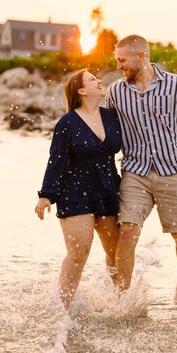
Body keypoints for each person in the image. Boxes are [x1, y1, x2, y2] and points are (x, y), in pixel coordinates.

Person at [105, 35, 177, 304]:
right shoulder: (116, 91)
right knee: (127, 232)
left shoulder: (176, 85)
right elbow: (105, 130)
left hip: (172, 170)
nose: (119, 66)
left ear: (141, 56)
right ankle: (122, 300)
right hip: (134, 172)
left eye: (122, 60)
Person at [35, 69, 122, 309]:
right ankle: (61, 308)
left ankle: (119, 303)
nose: (99, 81)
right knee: (78, 253)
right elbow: (57, 159)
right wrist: (46, 195)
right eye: (93, 80)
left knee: (115, 253)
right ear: (81, 91)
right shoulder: (67, 122)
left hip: (108, 190)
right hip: (74, 193)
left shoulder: (112, 117)